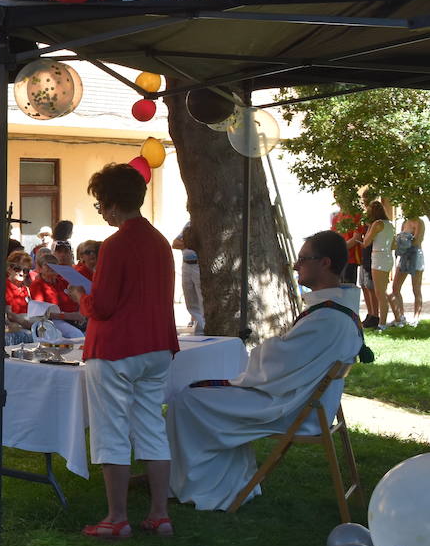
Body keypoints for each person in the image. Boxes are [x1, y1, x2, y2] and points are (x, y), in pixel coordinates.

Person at [168, 231, 363, 511]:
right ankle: (227, 482)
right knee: (199, 395)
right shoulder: (337, 311)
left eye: (303, 259)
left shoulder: (328, 318)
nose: (296, 265)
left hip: (293, 409)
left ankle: (206, 488)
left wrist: (264, 349)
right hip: (304, 401)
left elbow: (277, 364)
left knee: (187, 400)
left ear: (325, 263)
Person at [67, 163, 178, 540]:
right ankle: (159, 514)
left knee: (110, 430)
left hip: (116, 349)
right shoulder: (160, 242)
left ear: (113, 205)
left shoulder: (115, 245)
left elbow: (104, 307)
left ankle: (116, 518)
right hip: (157, 345)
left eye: (100, 204)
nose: (100, 210)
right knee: (151, 426)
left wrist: (81, 297)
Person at [29, 250, 87, 333]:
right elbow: (42, 313)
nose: (52, 267)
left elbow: (76, 299)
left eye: (54, 264)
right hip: (52, 322)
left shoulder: (63, 282)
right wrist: (69, 316)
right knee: (77, 334)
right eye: (47, 265)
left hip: (74, 319)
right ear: (40, 269)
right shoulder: (37, 285)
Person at [361, 200, 395, 328]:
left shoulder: (376, 224)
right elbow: (393, 244)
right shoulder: (390, 224)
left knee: (380, 292)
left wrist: (369, 228)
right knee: (384, 291)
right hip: (387, 256)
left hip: (378, 257)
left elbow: (366, 242)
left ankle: (382, 324)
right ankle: (392, 319)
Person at [390, 210, 425, 324]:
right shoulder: (404, 222)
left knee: (416, 288)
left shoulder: (419, 222)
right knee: (395, 287)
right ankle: (401, 317)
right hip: (404, 255)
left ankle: (416, 318)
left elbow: (417, 240)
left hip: (415, 255)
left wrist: (404, 240)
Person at [171, 222, 203, 334]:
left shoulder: (204, 224)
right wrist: (190, 243)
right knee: (190, 298)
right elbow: (175, 243)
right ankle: (198, 326)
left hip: (198, 265)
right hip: (186, 264)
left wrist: (185, 243)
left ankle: (203, 327)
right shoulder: (188, 225)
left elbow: (202, 245)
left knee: (201, 297)